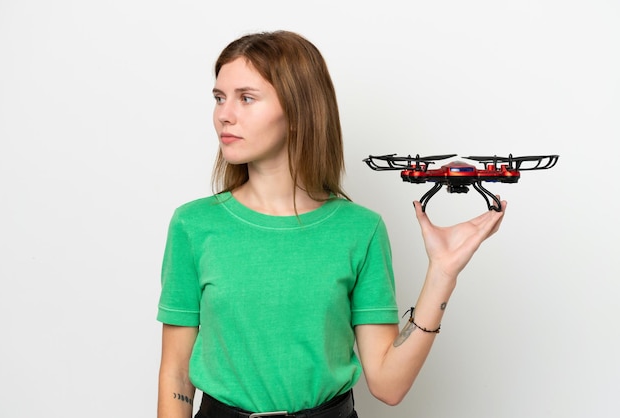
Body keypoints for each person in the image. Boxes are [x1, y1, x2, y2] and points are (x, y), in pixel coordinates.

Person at [157, 30, 506, 418]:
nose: (224, 113)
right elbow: (175, 374)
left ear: (297, 111)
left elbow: (388, 385)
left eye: (246, 98)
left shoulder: (360, 230)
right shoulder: (193, 225)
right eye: (219, 98)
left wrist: (442, 274)